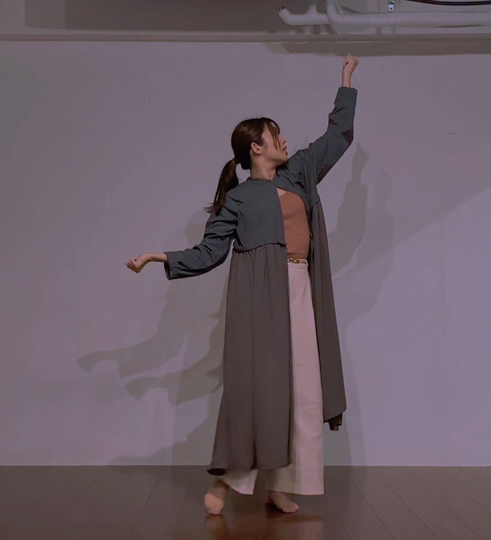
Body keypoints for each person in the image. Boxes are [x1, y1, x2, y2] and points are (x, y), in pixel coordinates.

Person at [126, 54, 359, 515]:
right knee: (258, 393)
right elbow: (208, 253)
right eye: (276, 134)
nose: (284, 139)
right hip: (260, 300)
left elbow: (338, 136)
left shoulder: (300, 173)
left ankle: (281, 484)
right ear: (256, 146)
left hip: (301, 290)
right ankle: (228, 483)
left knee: (304, 392)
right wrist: (159, 257)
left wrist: (346, 81)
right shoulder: (237, 200)